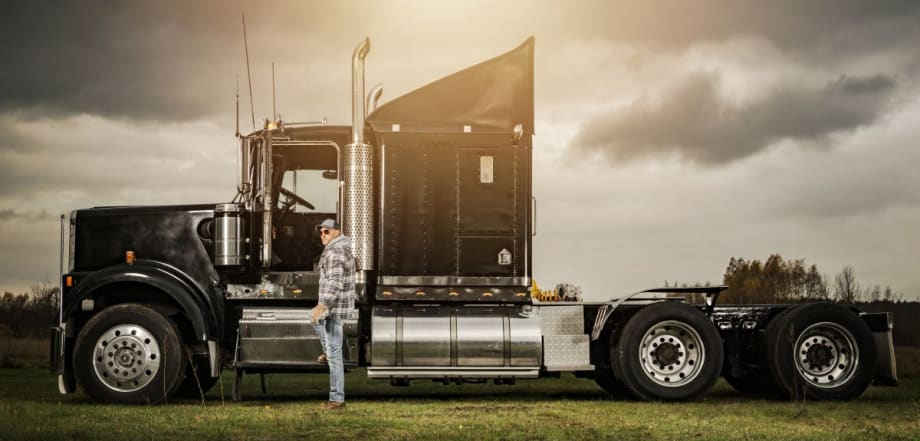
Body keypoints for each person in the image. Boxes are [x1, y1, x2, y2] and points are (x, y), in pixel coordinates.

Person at [311, 218, 356, 410]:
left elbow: (335, 283)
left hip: (334, 308)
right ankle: (328, 352)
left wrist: (323, 306)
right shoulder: (338, 248)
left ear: (337, 232)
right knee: (312, 319)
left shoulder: (335, 252)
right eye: (321, 232)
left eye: (327, 232)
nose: (323, 235)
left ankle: (337, 399)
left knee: (335, 354)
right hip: (336, 306)